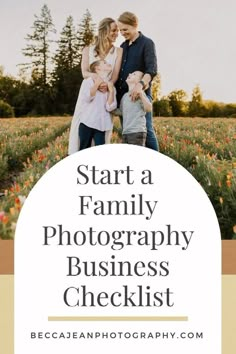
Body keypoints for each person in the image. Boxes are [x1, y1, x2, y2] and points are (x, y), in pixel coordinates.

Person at [68, 18, 122, 154]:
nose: (117, 33)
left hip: (106, 93)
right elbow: (85, 72)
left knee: (101, 131)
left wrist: (108, 85)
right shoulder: (88, 50)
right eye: (114, 30)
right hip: (90, 89)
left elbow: (115, 75)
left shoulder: (118, 51)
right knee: (83, 126)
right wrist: (96, 80)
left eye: (118, 30)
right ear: (104, 31)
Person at [116, 11, 159, 151]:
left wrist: (140, 86)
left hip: (141, 94)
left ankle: (157, 161)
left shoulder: (147, 43)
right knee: (128, 130)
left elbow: (151, 70)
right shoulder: (123, 46)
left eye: (125, 29)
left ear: (134, 26)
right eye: (120, 30)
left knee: (147, 129)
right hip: (124, 96)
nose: (122, 32)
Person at [70, 60, 117, 151]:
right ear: (97, 68)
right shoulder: (87, 81)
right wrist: (96, 84)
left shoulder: (110, 85)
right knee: (84, 150)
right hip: (87, 123)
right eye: (105, 63)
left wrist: (111, 91)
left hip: (101, 125)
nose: (109, 63)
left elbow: (109, 107)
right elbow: (87, 98)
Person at [120, 71, 152, 146]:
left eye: (134, 74)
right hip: (125, 132)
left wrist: (141, 95)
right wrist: (110, 109)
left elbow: (149, 108)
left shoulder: (141, 94)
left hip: (137, 132)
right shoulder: (124, 96)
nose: (129, 74)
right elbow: (121, 112)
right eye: (130, 73)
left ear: (139, 82)